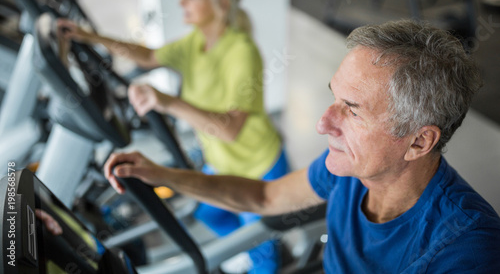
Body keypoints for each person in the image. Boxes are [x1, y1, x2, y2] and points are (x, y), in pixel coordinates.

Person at [104, 20, 500, 273]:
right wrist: (159, 174)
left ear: (418, 141)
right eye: (334, 98)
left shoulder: (467, 249)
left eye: (353, 111)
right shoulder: (350, 171)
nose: (322, 123)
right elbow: (262, 196)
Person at [58, 0, 288, 273]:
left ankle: (264, 252)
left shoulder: (241, 52)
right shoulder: (196, 41)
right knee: (210, 214)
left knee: (263, 251)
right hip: (221, 162)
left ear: (220, 4)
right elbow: (147, 56)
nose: (181, 2)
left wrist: (167, 102)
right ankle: (254, 246)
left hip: (256, 167)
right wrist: (88, 37)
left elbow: (231, 129)